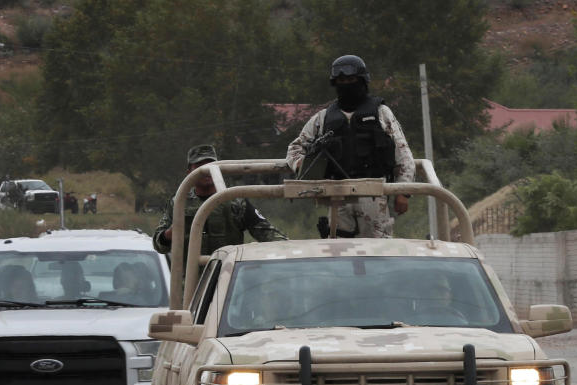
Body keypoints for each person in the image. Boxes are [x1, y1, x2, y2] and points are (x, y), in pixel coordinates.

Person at [286, 55, 415, 238]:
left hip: (373, 192)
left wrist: (403, 192)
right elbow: (294, 149)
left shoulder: (381, 113)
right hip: (336, 195)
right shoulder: (323, 118)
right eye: (341, 81)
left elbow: (402, 154)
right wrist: (303, 165)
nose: (346, 84)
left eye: (351, 80)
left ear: (362, 81)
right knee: (339, 253)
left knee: (378, 252)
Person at [153, 144, 287, 260]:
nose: (206, 170)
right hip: (190, 285)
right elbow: (159, 245)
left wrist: (292, 250)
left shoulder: (235, 202)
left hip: (226, 282)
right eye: (199, 166)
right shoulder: (179, 202)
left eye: (211, 165)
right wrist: (171, 233)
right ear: (189, 172)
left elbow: (268, 234)